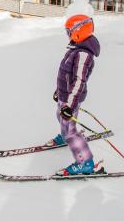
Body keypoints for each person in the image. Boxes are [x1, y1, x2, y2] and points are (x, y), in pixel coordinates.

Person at [49, 14, 105, 176]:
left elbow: (79, 81)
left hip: (71, 98)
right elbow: (67, 75)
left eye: (69, 31)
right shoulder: (76, 49)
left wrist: (70, 105)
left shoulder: (83, 54)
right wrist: (58, 91)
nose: (67, 34)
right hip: (65, 95)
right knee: (60, 117)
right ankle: (64, 135)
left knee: (70, 130)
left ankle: (85, 163)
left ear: (78, 31)